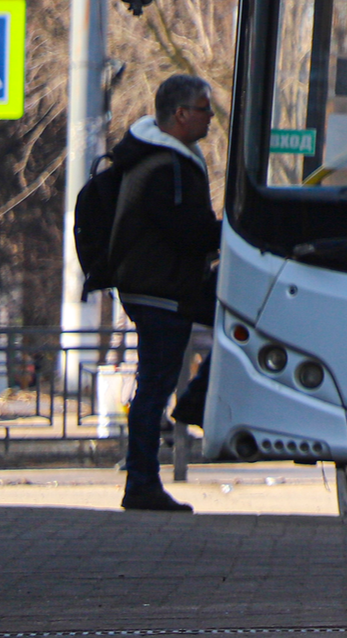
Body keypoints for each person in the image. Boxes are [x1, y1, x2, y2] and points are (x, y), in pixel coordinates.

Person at [108, 74, 222, 512]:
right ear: (179, 114)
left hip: (164, 285)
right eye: (203, 107)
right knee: (154, 385)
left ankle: (191, 406)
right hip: (161, 288)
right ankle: (141, 482)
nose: (209, 116)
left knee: (239, 322)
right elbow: (186, 232)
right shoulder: (165, 166)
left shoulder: (166, 158)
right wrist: (228, 231)